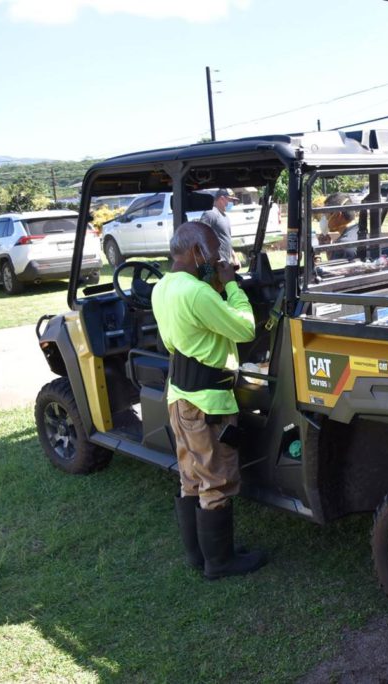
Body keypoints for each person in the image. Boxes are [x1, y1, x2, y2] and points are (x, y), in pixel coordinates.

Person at [151, 221, 266, 580]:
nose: (216, 262)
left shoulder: (163, 287)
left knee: (191, 476)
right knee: (215, 479)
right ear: (197, 253)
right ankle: (220, 562)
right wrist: (231, 284)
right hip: (208, 404)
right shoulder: (198, 294)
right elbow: (245, 327)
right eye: (214, 256)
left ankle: (201, 555)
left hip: (180, 396)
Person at [198, 188, 240, 266]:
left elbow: (226, 239)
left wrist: (234, 257)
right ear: (222, 199)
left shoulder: (224, 216)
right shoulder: (211, 213)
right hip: (215, 263)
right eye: (230, 200)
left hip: (225, 262)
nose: (231, 204)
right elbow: (200, 237)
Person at [322, 192, 361, 260]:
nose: (324, 218)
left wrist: (316, 256)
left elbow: (331, 269)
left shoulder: (343, 245)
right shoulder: (359, 230)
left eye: (326, 214)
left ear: (337, 215)